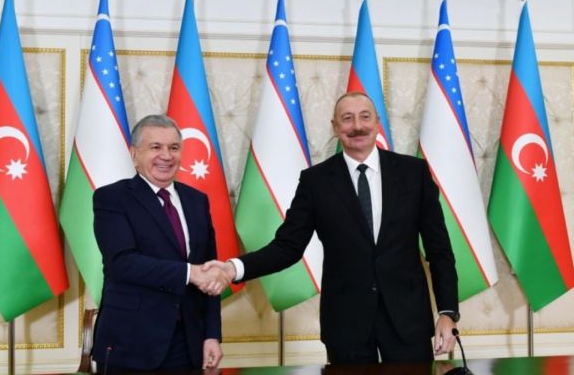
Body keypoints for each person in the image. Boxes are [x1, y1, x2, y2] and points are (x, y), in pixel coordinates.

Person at [206, 91, 459, 364]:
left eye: (365, 117)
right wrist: (233, 268)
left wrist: (447, 312)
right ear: (335, 127)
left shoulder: (414, 173)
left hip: (408, 320)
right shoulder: (315, 182)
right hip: (346, 324)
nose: (357, 126)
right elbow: (287, 247)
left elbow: (439, 251)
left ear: (377, 123)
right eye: (347, 119)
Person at [92, 114, 228, 371]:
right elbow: (122, 263)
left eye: (174, 148)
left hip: (188, 343)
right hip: (132, 343)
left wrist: (211, 335)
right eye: (156, 147)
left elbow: (209, 270)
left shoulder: (197, 200)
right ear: (134, 154)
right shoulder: (112, 198)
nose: (166, 156)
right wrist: (189, 273)